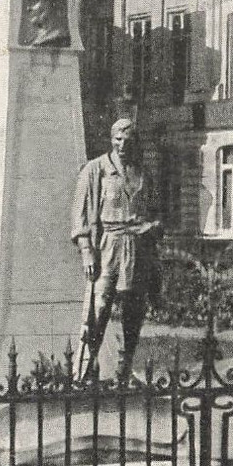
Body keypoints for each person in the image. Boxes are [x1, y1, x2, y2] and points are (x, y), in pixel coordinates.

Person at [71, 117, 163, 380]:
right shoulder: (95, 169)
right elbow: (79, 215)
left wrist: (154, 226)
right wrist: (86, 250)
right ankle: (84, 371)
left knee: (134, 309)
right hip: (107, 247)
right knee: (98, 308)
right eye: (118, 139)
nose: (122, 145)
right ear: (111, 140)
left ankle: (124, 369)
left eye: (128, 140)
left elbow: (156, 210)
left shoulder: (143, 172)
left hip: (138, 247)